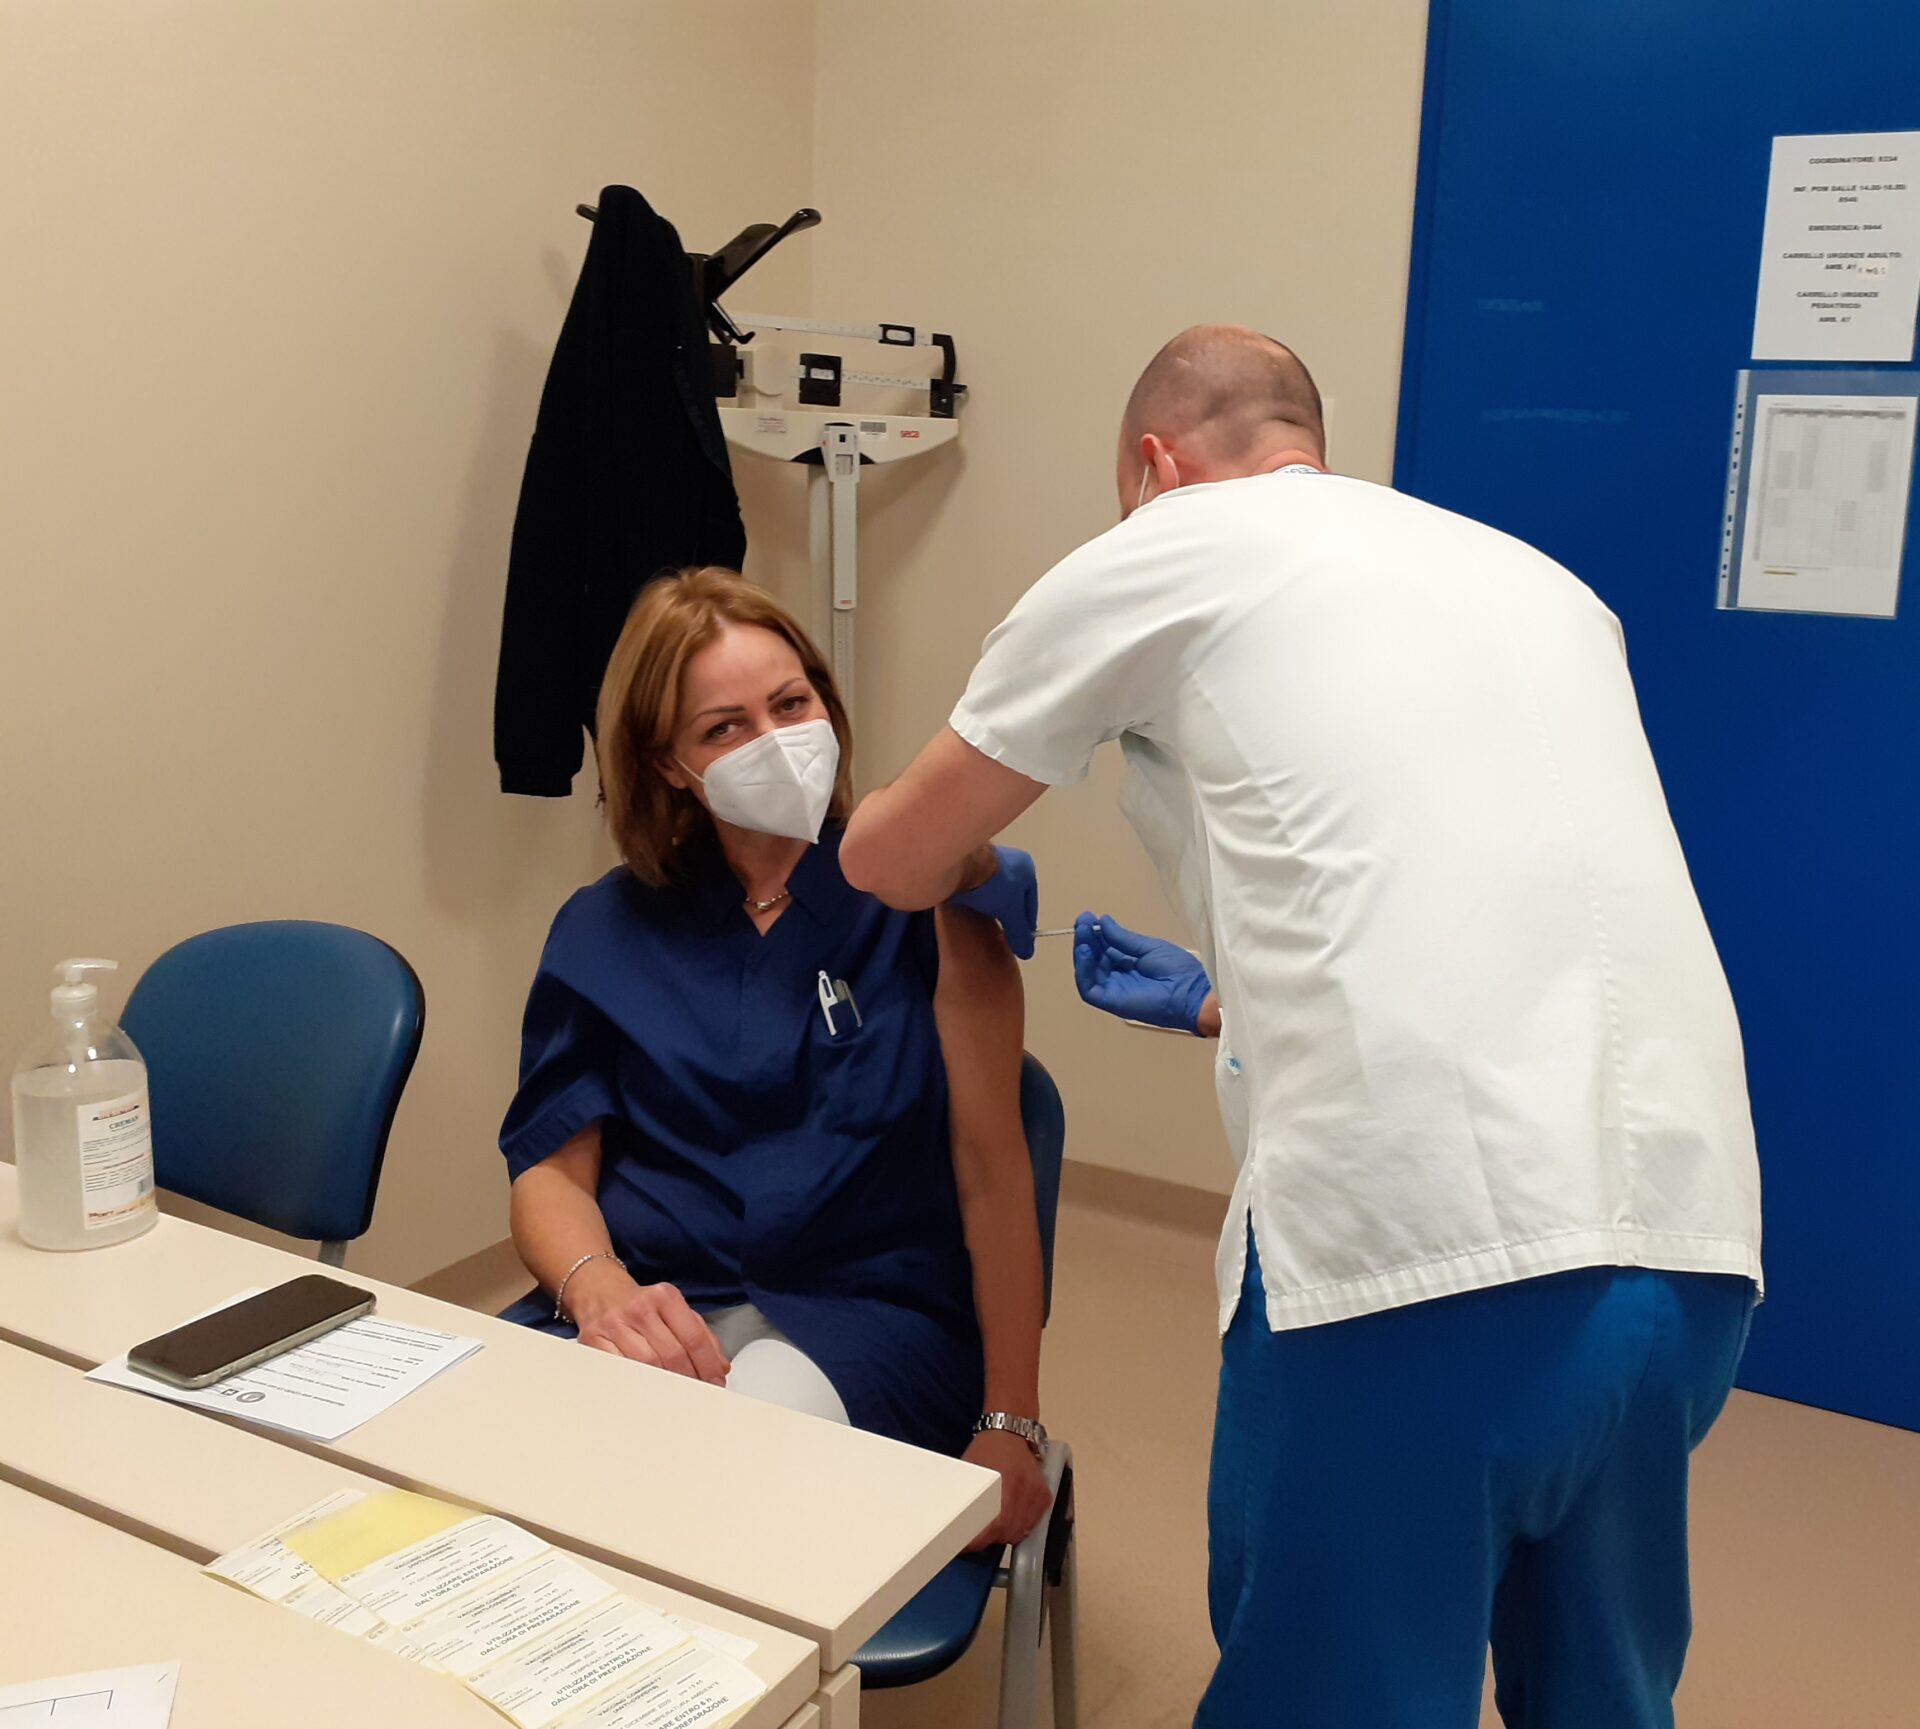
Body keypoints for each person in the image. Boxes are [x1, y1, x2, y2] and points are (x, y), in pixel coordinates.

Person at [840, 327, 1763, 1725]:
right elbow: (1483, 895)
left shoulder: (1166, 544)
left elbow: (889, 860)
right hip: (1687, 1252)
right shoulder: (1540, 583)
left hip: (1421, 1262)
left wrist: (951, 857)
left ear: (1155, 464)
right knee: (1602, 1696)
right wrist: (1226, 1001)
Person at [497, 567, 1052, 1551]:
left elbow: (994, 1172)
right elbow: (551, 1170)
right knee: (500, 1466)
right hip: (658, 1300)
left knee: (714, 1484)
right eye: (725, 727)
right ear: (668, 763)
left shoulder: (927, 903)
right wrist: (601, 1289)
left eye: (790, 705)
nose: (774, 740)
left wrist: (1011, 1420)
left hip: (867, 1319)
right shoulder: (601, 930)